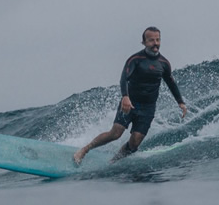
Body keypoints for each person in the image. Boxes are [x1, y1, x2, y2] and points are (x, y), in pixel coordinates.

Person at [73, 27, 187, 165]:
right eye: (151, 40)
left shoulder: (164, 63)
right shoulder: (135, 59)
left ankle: (113, 162)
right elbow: (124, 78)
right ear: (144, 42)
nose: (155, 43)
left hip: (148, 108)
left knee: (135, 142)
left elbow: (171, 82)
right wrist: (125, 97)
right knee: (116, 133)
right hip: (130, 102)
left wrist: (180, 102)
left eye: (158, 40)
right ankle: (84, 150)